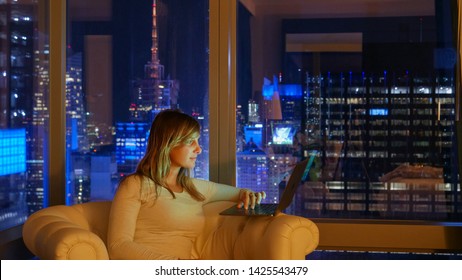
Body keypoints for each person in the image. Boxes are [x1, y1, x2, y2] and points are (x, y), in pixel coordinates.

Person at [107, 109, 266, 260]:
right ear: (168, 143)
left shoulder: (194, 188)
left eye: (197, 141)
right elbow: (118, 246)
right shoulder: (135, 184)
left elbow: (241, 193)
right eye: (190, 142)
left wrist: (250, 196)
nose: (198, 149)